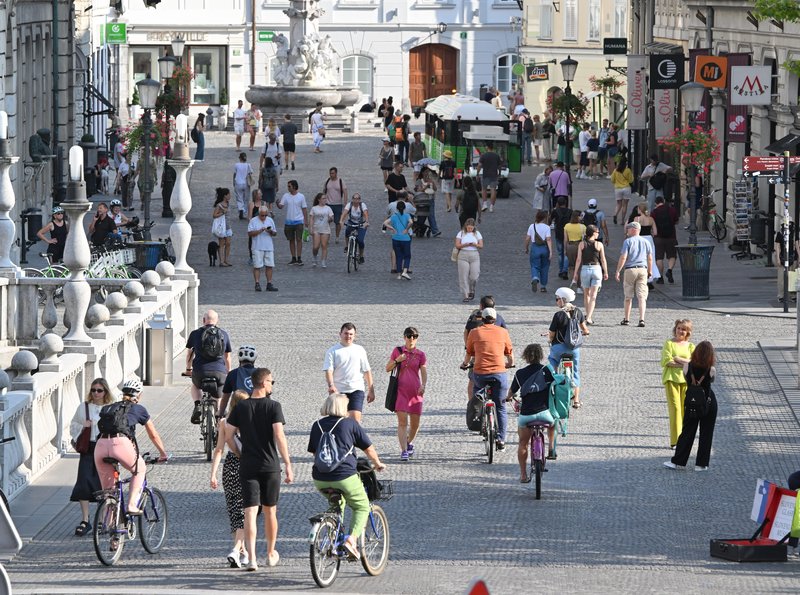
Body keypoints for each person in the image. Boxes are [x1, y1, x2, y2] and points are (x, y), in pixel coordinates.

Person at [225, 368, 293, 571]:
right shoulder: (274, 406)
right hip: (270, 466)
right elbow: (279, 436)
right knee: (270, 511)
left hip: (248, 465)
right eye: (271, 381)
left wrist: (239, 453)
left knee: (249, 512)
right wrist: (288, 463)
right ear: (264, 383)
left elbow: (228, 435)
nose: (272, 384)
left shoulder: (241, 407)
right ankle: (271, 553)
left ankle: (252, 558)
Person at [307, 393, 386, 560]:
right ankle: (351, 540)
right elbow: (368, 449)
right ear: (344, 408)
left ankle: (332, 538)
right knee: (362, 506)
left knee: (336, 503)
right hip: (345, 477)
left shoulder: (317, 426)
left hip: (320, 478)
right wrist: (378, 464)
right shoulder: (350, 424)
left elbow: (315, 452)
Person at [94, 378, 169, 519]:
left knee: (109, 491)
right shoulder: (139, 409)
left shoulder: (111, 407)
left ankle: (109, 526)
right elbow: (153, 434)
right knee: (140, 469)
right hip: (120, 444)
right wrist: (162, 453)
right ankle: (132, 505)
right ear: (139, 395)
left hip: (100, 446)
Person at [462, 307, 514, 451]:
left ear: (482, 319)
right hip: (499, 374)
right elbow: (509, 353)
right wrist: (509, 364)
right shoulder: (503, 332)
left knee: (478, 394)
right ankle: (501, 439)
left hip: (480, 374)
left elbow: (469, 353)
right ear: (495, 319)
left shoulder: (474, 332)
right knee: (501, 407)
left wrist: (465, 364)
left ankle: (481, 420)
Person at [70, 378, 116, 536]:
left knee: (103, 485)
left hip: (104, 448)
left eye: (99, 390)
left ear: (105, 392)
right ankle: (85, 520)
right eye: (93, 390)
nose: (96, 393)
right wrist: (84, 426)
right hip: (88, 449)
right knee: (83, 483)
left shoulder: (110, 408)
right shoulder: (83, 407)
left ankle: (102, 519)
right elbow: (72, 425)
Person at [211, 389, 250, 568]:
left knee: (235, 511)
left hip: (230, 468)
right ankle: (236, 550)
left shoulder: (224, 422)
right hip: (246, 467)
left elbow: (219, 449)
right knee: (243, 512)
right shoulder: (249, 421)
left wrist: (213, 474)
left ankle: (243, 552)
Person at [664, 341, 718, 472]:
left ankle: (678, 461)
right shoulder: (711, 369)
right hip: (708, 402)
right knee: (706, 433)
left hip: (692, 402)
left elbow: (685, 377)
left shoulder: (687, 366)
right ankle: (701, 464)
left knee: (687, 432)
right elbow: (712, 380)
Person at [508, 344, 556, 482]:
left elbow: (511, 392)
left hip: (526, 415)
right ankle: (551, 447)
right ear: (540, 355)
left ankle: (523, 475)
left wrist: (508, 397)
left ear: (525, 356)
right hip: (544, 413)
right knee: (553, 423)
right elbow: (556, 386)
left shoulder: (520, 374)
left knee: (523, 443)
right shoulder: (547, 370)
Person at [385, 327, 427, 461]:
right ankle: (403, 450)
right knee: (402, 422)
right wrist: (398, 360)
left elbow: (424, 371)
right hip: (400, 391)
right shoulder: (397, 351)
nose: (412, 339)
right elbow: (388, 368)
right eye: (409, 336)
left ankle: (408, 442)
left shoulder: (421, 354)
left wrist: (423, 384)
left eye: (414, 336)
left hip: (415, 392)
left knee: (415, 424)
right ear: (404, 337)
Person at [184, 309, 233, 423]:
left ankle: (197, 404)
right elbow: (227, 357)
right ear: (217, 321)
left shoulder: (195, 334)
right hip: (219, 372)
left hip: (200, 371)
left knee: (195, 385)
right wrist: (228, 371)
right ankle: (219, 416)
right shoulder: (223, 334)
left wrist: (188, 369)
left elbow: (189, 355)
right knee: (218, 396)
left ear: (203, 320)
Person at [323, 322, 376, 423]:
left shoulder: (360, 350)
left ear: (355, 335)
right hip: (338, 391)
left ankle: (354, 439)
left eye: (351, 334)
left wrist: (371, 390)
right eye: (346, 333)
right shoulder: (332, 351)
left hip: (356, 389)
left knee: (355, 421)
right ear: (340, 334)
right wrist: (331, 385)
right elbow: (329, 370)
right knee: (339, 421)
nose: (348, 336)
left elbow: (366, 371)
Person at [548, 287, 588, 407]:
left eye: (557, 299)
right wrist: (586, 332)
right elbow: (584, 328)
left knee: (552, 362)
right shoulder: (578, 312)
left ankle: (554, 387)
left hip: (558, 348)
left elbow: (552, 332)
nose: (556, 301)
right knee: (575, 372)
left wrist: (550, 339)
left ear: (562, 299)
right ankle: (576, 400)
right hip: (573, 349)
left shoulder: (558, 315)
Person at [660, 319, 695, 450]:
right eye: (679, 328)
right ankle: (675, 441)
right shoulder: (669, 343)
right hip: (671, 379)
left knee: (685, 411)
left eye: (683, 329)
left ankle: (684, 439)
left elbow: (694, 363)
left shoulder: (691, 346)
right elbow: (666, 361)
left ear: (688, 332)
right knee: (675, 409)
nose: (680, 331)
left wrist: (678, 359)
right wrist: (685, 363)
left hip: (686, 381)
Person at [615, 221, 653, 328]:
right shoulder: (646, 242)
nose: (627, 231)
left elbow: (623, 257)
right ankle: (642, 319)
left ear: (633, 230)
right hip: (643, 269)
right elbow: (650, 258)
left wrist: (618, 270)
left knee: (628, 296)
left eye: (628, 229)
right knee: (642, 296)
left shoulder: (628, 242)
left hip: (630, 269)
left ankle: (627, 319)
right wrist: (650, 271)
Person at [572, 225, 608, 325]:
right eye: (597, 232)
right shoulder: (599, 244)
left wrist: (575, 273)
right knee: (593, 296)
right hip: (596, 269)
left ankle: (587, 315)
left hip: (585, 269)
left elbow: (578, 259)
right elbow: (603, 259)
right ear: (593, 233)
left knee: (586, 295)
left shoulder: (582, 244)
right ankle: (589, 317)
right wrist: (605, 272)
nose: (598, 234)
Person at [276, 179, 308, 266]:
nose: (288, 188)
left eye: (289, 186)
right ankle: (293, 257)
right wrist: (278, 204)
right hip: (289, 222)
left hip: (299, 221)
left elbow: (304, 209)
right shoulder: (286, 196)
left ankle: (299, 257)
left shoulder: (301, 196)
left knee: (299, 239)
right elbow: (281, 206)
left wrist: (306, 221)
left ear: (294, 187)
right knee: (291, 240)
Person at [220, 346, 258, 417]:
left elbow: (225, 398)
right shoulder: (260, 373)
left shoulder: (233, 374)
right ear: (254, 359)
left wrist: (220, 414)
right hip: (258, 409)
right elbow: (267, 394)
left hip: (239, 410)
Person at [248, 206, 279, 292]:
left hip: (268, 246)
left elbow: (275, 233)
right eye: (262, 215)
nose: (264, 217)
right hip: (257, 246)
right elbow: (250, 233)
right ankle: (257, 284)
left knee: (269, 266)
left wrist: (270, 231)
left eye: (265, 215)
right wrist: (259, 231)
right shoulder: (253, 221)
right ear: (259, 214)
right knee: (257, 266)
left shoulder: (270, 220)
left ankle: (269, 283)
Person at [651, 196, 679, 284]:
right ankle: (670, 270)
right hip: (671, 237)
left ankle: (661, 277)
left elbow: (652, 225)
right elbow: (676, 221)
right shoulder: (672, 210)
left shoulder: (654, 212)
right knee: (672, 256)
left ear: (656, 203)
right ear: (663, 201)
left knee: (659, 258)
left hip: (658, 238)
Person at [383, 200, 413, 280]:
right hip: (405, 238)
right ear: (404, 208)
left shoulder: (393, 216)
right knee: (407, 256)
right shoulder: (407, 215)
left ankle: (399, 274)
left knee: (398, 256)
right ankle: (405, 271)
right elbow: (411, 222)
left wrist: (391, 228)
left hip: (395, 238)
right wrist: (407, 229)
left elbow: (385, 223)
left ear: (396, 208)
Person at [455, 218, 483, 302]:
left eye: (471, 228)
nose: (470, 229)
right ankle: (465, 294)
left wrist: (475, 244)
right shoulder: (461, 233)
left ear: (474, 227)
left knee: (474, 276)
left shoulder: (477, 234)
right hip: (463, 255)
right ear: (466, 226)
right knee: (463, 276)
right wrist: (465, 245)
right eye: (468, 228)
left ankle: (472, 289)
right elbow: (457, 245)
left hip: (474, 254)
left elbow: (481, 245)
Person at [525, 210, 552, 294]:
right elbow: (548, 239)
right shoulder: (547, 227)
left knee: (534, 265)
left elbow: (527, 239)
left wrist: (526, 248)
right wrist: (550, 251)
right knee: (545, 267)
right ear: (544, 218)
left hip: (535, 247)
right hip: (544, 248)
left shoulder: (531, 226)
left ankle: (535, 277)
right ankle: (543, 286)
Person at [634, 202, 661, 286]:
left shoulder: (637, 219)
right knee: (650, 258)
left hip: (640, 239)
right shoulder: (651, 219)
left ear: (640, 209)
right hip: (649, 239)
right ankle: (650, 278)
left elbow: (634, 231)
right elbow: (655, 232)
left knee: (640, 258)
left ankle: (642, 278)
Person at [774, 219, 800, 303]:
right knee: (781, 278)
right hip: (783, 258)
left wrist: (799, 257)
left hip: (793, 258)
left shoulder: (794, 234)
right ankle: (781, 295)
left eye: (790, 223)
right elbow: (777, 247)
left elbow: (797, 246)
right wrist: (777, 258)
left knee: (792, 277)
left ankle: (793, 295)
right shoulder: (780, 234)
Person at [340, 193, 369, 263]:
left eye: (358, 199)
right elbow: (344, 213)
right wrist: (341, 221)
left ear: (360, 200)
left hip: (361, 224)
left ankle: (361, 256)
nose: (356, 200)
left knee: (360, 240)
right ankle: (347, 246)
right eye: (354, 199)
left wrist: (366, 222)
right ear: (352, 199)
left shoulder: (362, 205)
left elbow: (366, 214)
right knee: (347, 231)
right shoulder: (349, 205)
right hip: (352, 222)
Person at [549, 196, 572, 280]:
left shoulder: (555, 211)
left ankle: (561, 270)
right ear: (565, 203)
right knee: (566, 253)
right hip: (568, 234)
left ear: (558, 203)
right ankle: (565, 270)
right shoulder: (570, 211)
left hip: (558, 233)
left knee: (560, 253)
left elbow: (549, 220)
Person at [323, 167, 347, 243]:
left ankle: (337, 237)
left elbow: (345, 192)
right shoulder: (327, 181)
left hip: (338, 204)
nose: (331, 175)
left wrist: (345, 203)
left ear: (336, 173)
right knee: (327, 221)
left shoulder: (340, 181)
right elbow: (324, 191)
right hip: (328, 204)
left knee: (337, 222)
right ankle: (327, 237)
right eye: (330, 173)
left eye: (332, 173)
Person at [310, 192, 334, 268]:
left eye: (325, 198)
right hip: (316, 229)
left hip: (325, 229)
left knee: (324, 245)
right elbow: (311, 219)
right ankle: (315, 256)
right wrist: (310, 228)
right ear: (319, 200)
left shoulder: (328, 208)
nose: (325, 200)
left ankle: (323, 261)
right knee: (316, 247)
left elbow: (331, 217)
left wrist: (330, 219)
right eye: (323, 198)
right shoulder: (314, 208)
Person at [563, 211, 585, 291]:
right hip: (579, 245)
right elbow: (584, 239)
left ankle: (573, 280)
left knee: (571, 266)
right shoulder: (582, 226)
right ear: (578, 217)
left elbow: (565, 239)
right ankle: (579, 286)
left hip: (570, 246)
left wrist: (565, 249)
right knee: (579, 266)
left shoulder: (567, 226)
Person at [477, 141, 501, 213]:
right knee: (493, 190)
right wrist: (499, 173)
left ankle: (485, 204)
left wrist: (477, 173)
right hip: (494, 175)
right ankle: (491, 206)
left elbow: (479, 165)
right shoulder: (496, 156)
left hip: (485, 175)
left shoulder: (483, 156)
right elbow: (499, 166)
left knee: (484, 189)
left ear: (487, 147)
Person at [212, 187, 233, 267]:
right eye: (229, 194)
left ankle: (226, 260)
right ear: (225, 196)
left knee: (228, 243)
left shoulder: (228, 204)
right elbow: (214, 215)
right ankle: (221, 261)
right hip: (222, 227)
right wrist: (222, 213)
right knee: (221, 244)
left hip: (228, 226)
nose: (230, 196)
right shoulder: (219, 205)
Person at [611, 158, 634, 224]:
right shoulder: (628, 170)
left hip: (618, 188)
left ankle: (615, 214)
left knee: (618, 204)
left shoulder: (615, 170)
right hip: (626, 188)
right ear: (626, 163)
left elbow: (612, 180)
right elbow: (631, 180)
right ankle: (622, 221)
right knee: (625, 205)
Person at [233, 152, 254, 220]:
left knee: (239, 198)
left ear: (240, 158)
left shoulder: (236, 165)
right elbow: (250, 173)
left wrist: (233, 182)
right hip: (246, 183)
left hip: (238, 183)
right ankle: (244, 211)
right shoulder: (248, 165)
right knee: (246, 198)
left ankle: (240, 209)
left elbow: (234, 174)